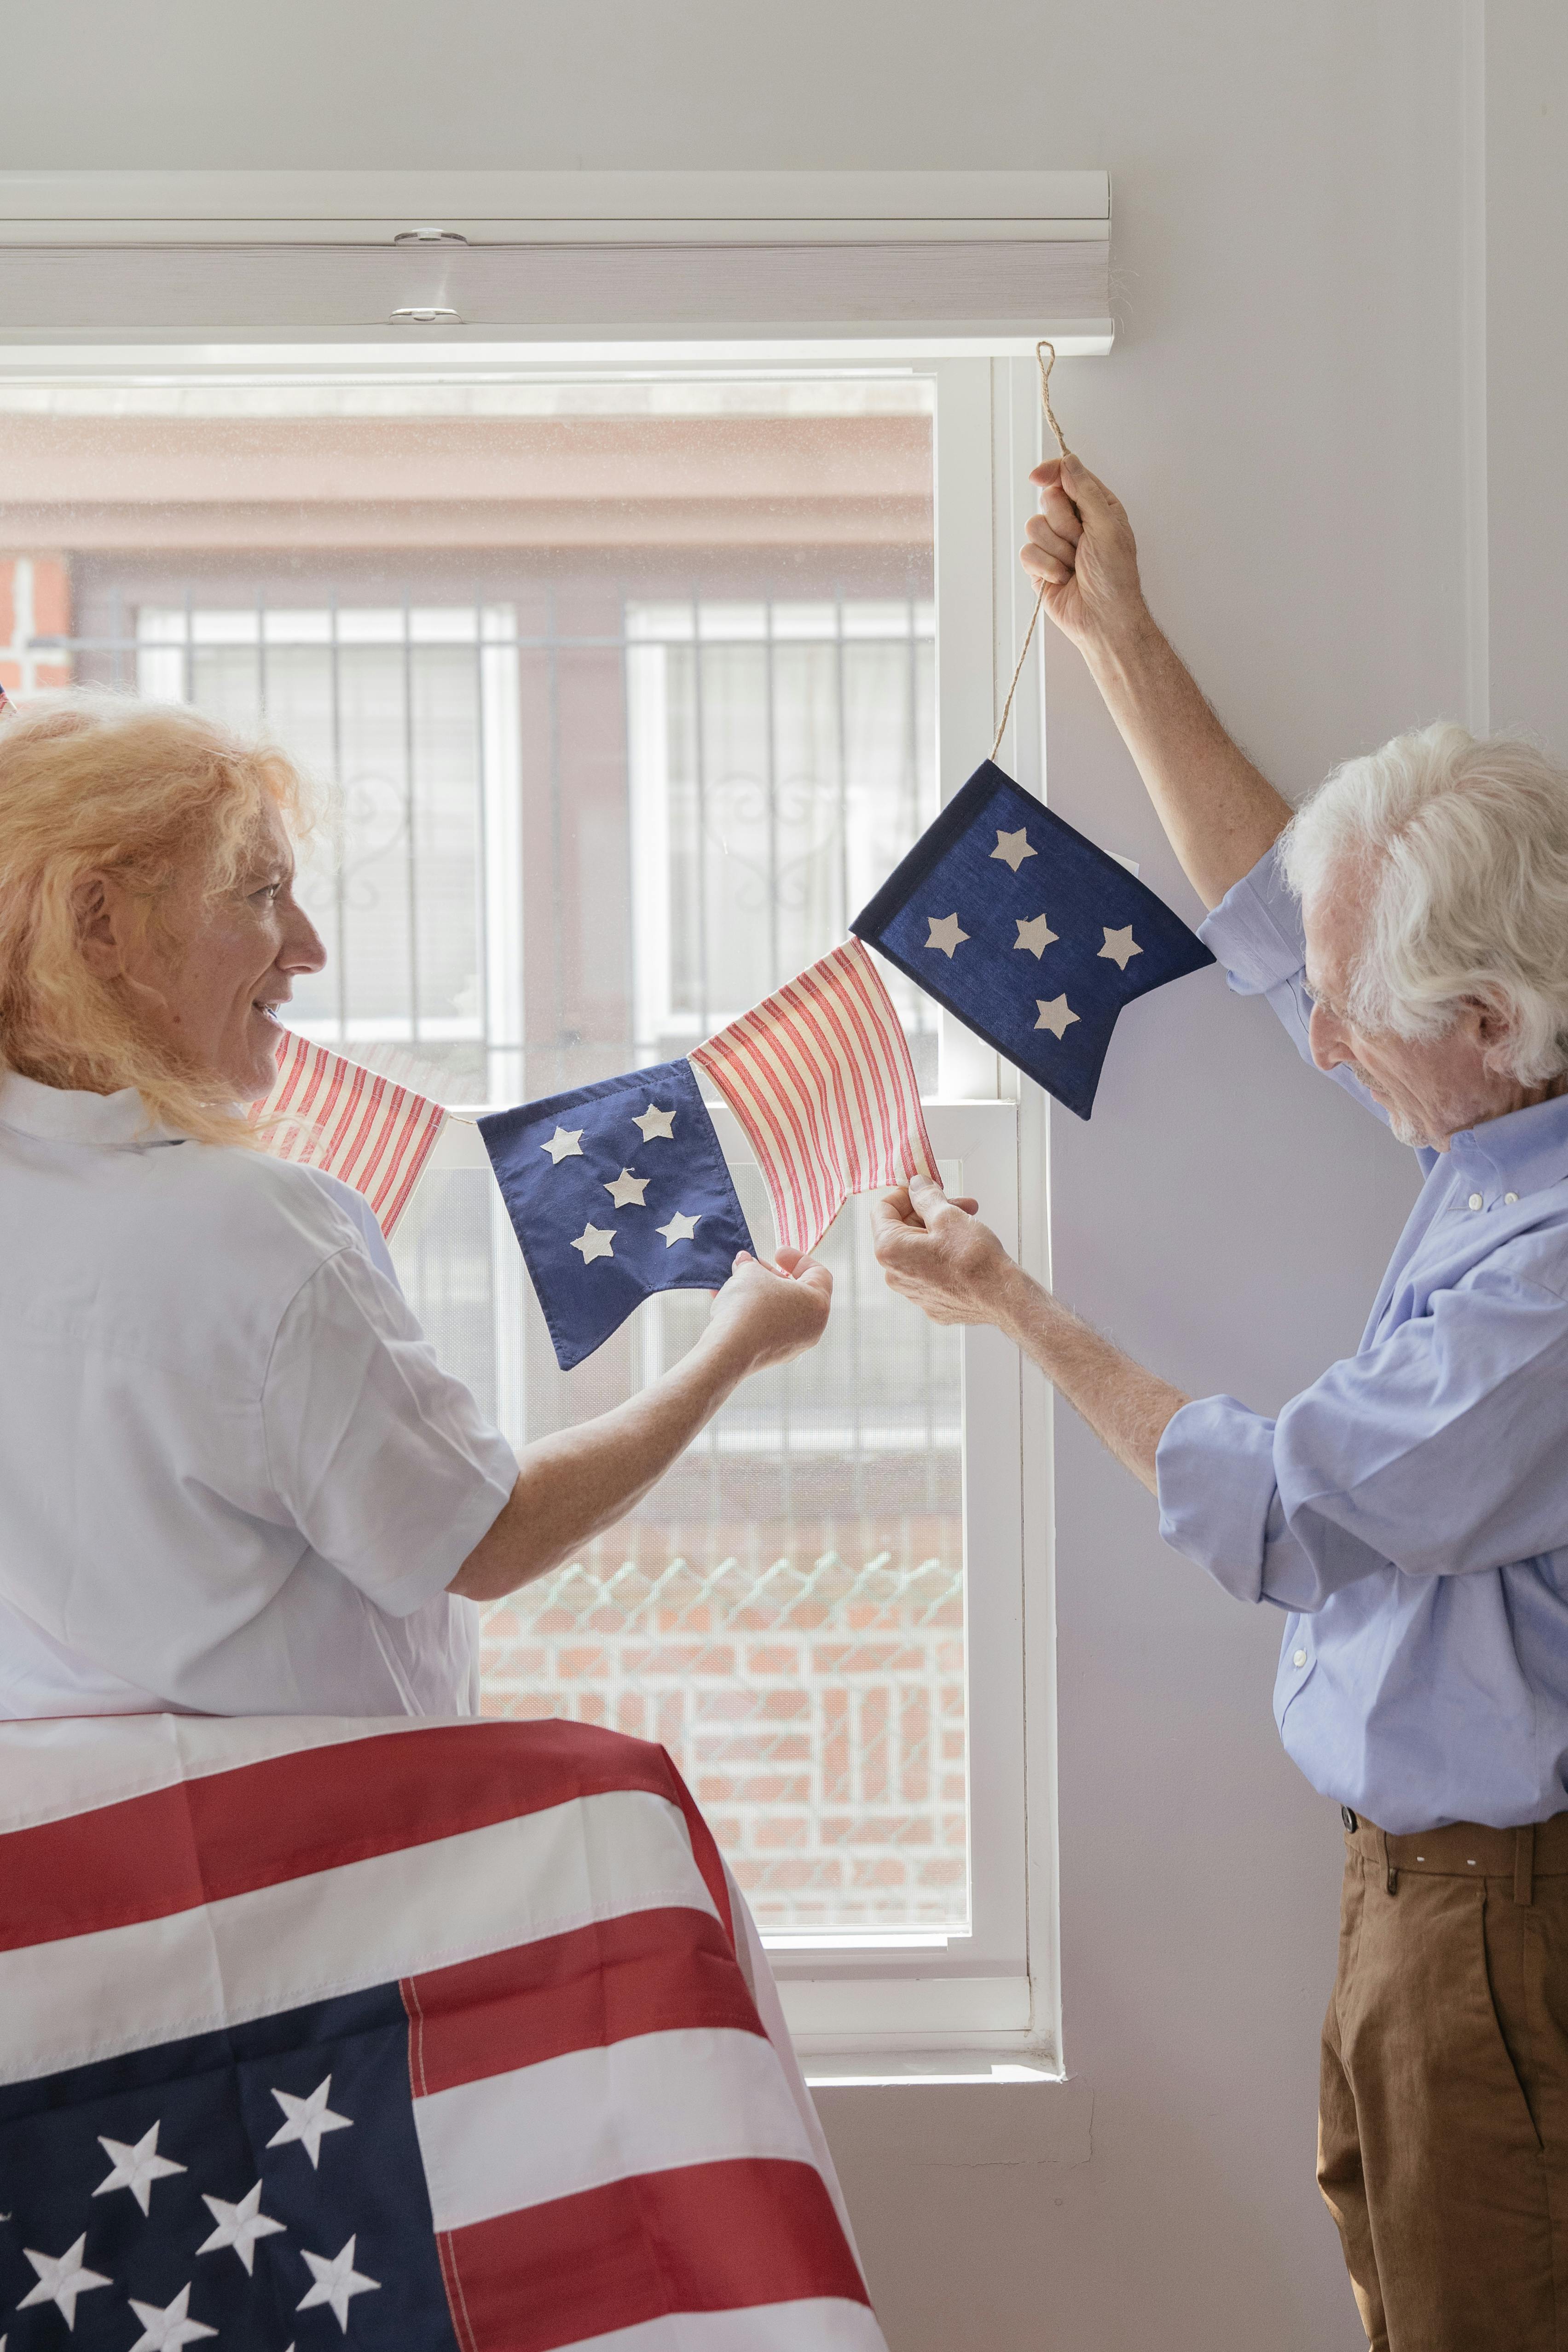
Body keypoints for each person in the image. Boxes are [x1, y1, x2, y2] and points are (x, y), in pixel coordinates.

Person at [873, 456, 1568, 2351]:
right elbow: (1286, 935)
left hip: (1510, 1919)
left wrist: (1011, 1300)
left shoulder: (1549, 1270)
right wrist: (1124, 642)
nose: (1322, 1043)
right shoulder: (1505, 1122)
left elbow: (1290, 1511)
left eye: (1364, 1018)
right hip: (1423, 1892)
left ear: (1494, 1018)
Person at [0, 690, 831, 1721]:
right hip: (321, 1849)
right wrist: (734, 1347)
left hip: (75, 1857)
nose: (306, 946)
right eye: (260, 892)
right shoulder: (256, 1230)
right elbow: (490, 1538)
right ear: (101, 924)